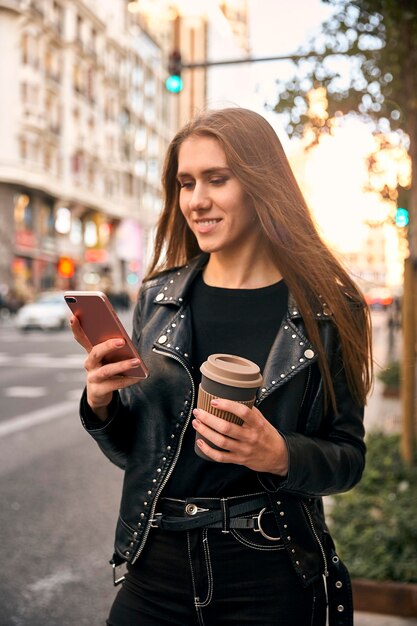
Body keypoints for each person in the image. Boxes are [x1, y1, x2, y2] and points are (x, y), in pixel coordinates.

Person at [70, 107, 373, 626]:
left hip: (271, 570)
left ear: (261, 184)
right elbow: (137, 454)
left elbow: (347, 458)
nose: (196, 200)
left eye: (217, 179)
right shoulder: (158, 298)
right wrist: (101, 404)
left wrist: (278, 454)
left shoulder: (329, 308)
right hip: (154, 566)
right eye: (186, 183)